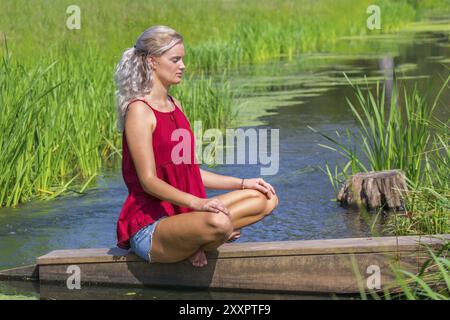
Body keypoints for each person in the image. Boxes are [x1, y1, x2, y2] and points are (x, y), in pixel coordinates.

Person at [114, 25, 279, 268]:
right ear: (152, 62)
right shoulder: (139, 111)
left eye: (182, 59)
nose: (183, 65)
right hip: (152, 226)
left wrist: (243, 182)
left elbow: (190, 171)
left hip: (185, 216)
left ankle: (200, 241)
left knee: (266, 198)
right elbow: (148, 181)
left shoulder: (175, 104)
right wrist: (199, 204)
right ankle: (208, 237)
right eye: (175, 59)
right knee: (220, 223)